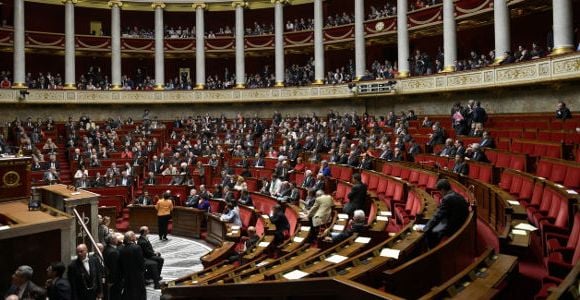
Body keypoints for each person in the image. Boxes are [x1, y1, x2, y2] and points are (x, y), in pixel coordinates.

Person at [418, 179, 469, 248]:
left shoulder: (447, 199)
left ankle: (432, 251)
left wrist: (425, 228)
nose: (440, 194)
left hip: (454, 227)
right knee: (434, 224)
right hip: (460, 221)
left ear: (442, 189)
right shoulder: (457, 195)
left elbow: (438, 216)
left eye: (439, 192)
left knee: (430, 231)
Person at [119, 231, 146, 298]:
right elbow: (141, 261)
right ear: (131, 238)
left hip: (126, 273)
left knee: (129, 290)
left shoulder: (121, 249)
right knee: (140, 291)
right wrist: (143, 270)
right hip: (137, 274)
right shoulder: (137, 247)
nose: (135, 236)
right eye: (134, 235)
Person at [102, 234, 122, 300]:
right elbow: (114, 268)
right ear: (112, 240)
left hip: (109, 277)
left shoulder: (106, 248)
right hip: (115, 279)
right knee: (115, 295)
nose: (117, 239)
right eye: (116, 238)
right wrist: (112, 281)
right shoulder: (113, 252)